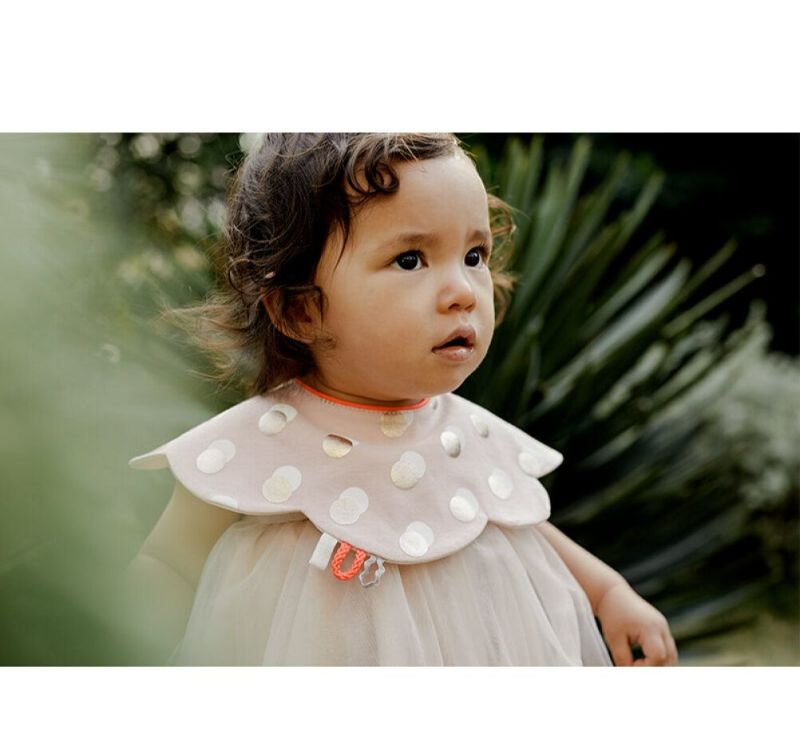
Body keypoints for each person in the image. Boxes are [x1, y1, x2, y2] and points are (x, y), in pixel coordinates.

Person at [125, 132, 678, 666]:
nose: (463, 291)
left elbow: (515, 520)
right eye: (411, 260)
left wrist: (607, 593)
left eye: (475, 255)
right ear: (301, 310)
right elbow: (170, 565)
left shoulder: (467, 434)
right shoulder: (256, 446)